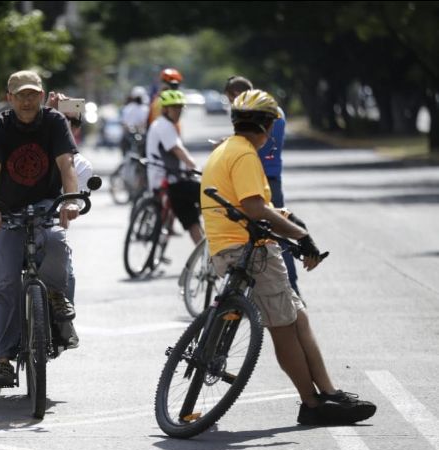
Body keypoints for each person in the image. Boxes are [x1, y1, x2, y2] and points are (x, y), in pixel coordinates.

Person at [200, 89, 376, 425]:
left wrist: (288, 218)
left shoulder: (227, 149)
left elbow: (251, 205)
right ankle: (312, 404)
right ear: (266, 125)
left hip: (229, 245)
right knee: (284, 328)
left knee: (299, 318)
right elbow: (253, 207)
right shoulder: (245, 155)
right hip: (248, 249)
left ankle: (329, 392)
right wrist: (302, 236)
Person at [0, 70, 82, 388]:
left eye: (32, 94)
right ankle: (4, 361)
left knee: (57, 243)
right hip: (6, 212)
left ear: (41, 95)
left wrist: (70, 201)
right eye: (20, 95)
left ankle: (53, 296)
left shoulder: (53, 122)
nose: (27, 100)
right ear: (9, 98)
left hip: (45, 206)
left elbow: (66, 165)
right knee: (4, 281)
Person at [223, 76, 300, 294]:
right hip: (262, 177)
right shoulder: (267, 111)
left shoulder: (269, 114)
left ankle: (290, 287)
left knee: (276, 232)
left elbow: (259, 148)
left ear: (238, 95)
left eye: (232, 100)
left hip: (265, 179)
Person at [144, 89, 204, 245]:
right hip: (169, 182)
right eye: (174, 107)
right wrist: (196, 167)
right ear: (165, 109)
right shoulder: (164, 126)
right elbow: (178, 150)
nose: (178, 111)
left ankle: (205, 255)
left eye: (180, 107)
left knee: (191, 221)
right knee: (212, 198)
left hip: (171, 181)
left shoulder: (164, 124)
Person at [120, 86, 150, 155]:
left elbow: (124, 124)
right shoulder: (145, 109)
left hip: (138, 136)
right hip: (133, 137)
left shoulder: (128, 108)